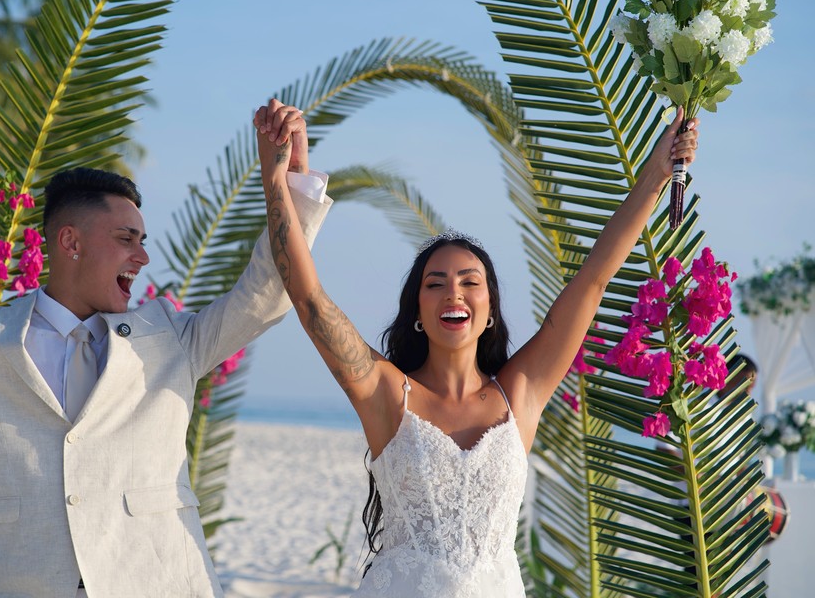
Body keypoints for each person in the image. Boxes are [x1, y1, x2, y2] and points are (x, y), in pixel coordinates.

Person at [254, 100, 699, 597]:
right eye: (435, 283)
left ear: (489, 311)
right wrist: (277, 182)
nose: (454, 293)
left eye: (470, 282)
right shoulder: (385, 392)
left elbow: (593, 280)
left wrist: (657, 176)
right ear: (417, 313)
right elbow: (309, 300)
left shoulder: (521, 393)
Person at [0, 160, 331, 597]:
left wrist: (290, 183)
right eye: (125, 239)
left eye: (143, 241)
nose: (142, 257)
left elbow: (264, 296)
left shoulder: (170, 339)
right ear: (69, 241)